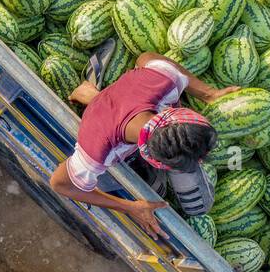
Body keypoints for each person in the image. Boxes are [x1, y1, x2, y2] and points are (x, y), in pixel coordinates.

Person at [49, 43, 238, 238]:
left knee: (198, 207)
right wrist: (130, 207)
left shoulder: (163, 81)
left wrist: (209, 93)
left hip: (124, 103)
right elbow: (60, 184)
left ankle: (91, 95)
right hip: (108, 128)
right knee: (154, 187)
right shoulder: (97, 150)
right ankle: (91, 96)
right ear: (153, 157)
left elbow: (146, 56)